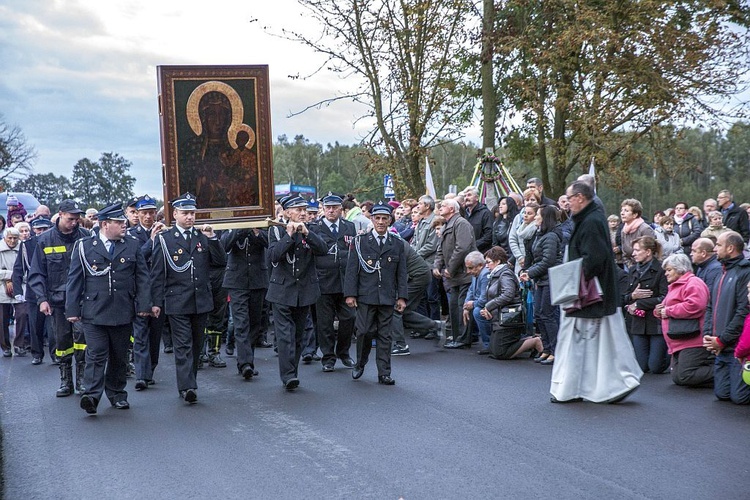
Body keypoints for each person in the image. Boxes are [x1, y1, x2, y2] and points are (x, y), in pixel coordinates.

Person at [550, 180, 642, 404]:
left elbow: (594, 259)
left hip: (588, 294)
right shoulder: (592, 218)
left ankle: (577, 388)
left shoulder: (590, 221)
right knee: (599, 344)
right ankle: (605, 385)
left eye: (569, 198)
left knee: (582, 342)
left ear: (580, 198)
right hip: (594, 292)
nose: (567, 203)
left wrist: (573, 279)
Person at [65, 204, 152, 414]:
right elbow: (74, 279)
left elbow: (142, 277)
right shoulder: (85, 246)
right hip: (94, 311)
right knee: (96, 354)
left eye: (123, 222)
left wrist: (144, 305)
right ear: (105, 224)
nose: (124, 225)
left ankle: (117, 393)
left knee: (119, 355)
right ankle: (92, 396)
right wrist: (72, 309)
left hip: (122, 310)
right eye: (119, 223)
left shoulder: (131, 245)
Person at [150, 193, 227, 404]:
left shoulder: (202, 237)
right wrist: (156, 302)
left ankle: (189, 379)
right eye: (185, 213)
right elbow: (157, 274)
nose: (190, 217)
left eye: (192, 213)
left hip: (200, 300)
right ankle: (188, 387)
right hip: (177, 300)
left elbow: (220, 262)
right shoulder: (165, 240)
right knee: (182, 345)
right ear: (175, 214)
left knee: (196, 344)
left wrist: (213, 238)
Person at [28, 199, 90, 397]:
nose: (75, 223)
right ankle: (65, 380)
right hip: (57, 301)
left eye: (77, 219)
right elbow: (37, 273)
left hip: (82, 299)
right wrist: (41, 299)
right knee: (62, 341)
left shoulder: (86, 237)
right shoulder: (45, 240)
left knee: (82, 340)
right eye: (71, 219)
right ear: (61, 214)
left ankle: (81, 379)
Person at [266, 194, 328, 390]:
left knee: (298, 335)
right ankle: (288, 375)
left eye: (304, 210)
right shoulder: (276, 230)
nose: (303, 213)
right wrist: (290, 236)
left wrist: (307, 234)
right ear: (286, 212)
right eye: (298, 210)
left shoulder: (313, 228)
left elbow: (323, 249)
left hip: (305, 290)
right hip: (282, 290)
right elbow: (274, 255)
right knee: (284, 335)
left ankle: (293, 370)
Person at [344, 202, 407, 384]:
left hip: (387, 296)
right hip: (366, 294)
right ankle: (361, 363)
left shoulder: (396, 243)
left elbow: (401, 272)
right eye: (377, 218)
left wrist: (402, 296)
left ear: (389, 220)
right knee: (363, 331)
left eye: (384, 218)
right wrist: (350, 294)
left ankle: (384, 372)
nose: (380, 222)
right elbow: (351, 269)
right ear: (371, 219)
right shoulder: (361, 241)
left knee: (385, 335)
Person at [309, 192, 357, 371]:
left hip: (345, 282)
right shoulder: (314, 227)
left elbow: (352, 252)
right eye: (328, 207)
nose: (331, 211)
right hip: (323, 281)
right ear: (323, 209)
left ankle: (343, 352)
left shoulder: (349, 226)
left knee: (349, 318)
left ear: (340, 209)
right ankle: (328, 357)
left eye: (335, 208)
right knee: (325, 323)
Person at [701, 230, 750, 404]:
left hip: (736, 348)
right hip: (720, 346)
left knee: (740, 398)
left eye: (719, 245)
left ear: (730, 248)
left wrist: (722, 340)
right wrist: (709, 336)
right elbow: (709, 306)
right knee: (722, 394)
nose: (715, 249)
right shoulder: (721, 272)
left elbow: (743, 312)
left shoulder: (745, 272)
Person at [654, 254, 713, 387]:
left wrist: (668, 311)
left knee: (686, 375)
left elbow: (696, 306)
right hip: (679, 339)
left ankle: (725, 371)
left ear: (679, 269)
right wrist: (659, 311)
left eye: (669, 270)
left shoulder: (694, 283)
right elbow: (666, 308)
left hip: (692, 339)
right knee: (677, 377)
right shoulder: (675, 285)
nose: (666, 274)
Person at [128, 195, 167, 390]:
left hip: (159, 290)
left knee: (155, 334)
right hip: (139, 290)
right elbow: (136, 259)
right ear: (138, 214)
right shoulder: (131, 235)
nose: (149, 217)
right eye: (144, 213)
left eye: (152, 213)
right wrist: (152, 241)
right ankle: (142, 375)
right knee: (140, 332)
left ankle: (150, 369)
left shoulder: (164, 233)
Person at [221, 225, 269, 380]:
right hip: (237, 281)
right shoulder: (231, 226)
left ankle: (249, 359)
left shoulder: (261, 226)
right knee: (241, 323)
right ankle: (245, 363)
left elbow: (270, 243)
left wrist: (256, 231)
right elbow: (224, 246)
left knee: (255, 323)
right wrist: (239, 229)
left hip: (257, 280)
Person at [480, 246, 543, 359]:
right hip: (500, 318)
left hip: (508, 318)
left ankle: (535, 342)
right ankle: (529, 341)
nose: (486, 265)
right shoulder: (496, 274)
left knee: (500, 353)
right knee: (493, 351)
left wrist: (488, 307)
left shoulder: (505, 274)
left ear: (498, 261)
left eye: (488, 262)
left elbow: (508, 295)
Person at [520, 205, 563, 365]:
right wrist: (526, 270)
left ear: (545, 218)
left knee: (548, 315)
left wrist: (529, 273)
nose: (535, 217)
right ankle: (546, 348)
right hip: (542, 279)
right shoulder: (540, 234)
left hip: (550, 279)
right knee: (539, 314)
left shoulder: (551, 236)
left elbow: (548, 261)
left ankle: (555, 350)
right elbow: (533, 256)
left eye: (537, 215)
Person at [433, 199, 477, 349]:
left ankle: (464, 339)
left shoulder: (461, 223)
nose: (440, 207)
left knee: (461, 306)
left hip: (464, 273)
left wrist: (450, 268)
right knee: (454, 306)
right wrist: (437, 265)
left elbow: (462, 248)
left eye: (443, 205)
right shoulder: (447, 224)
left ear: (452, 208)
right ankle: (458, 336)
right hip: (453, 276)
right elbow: (440, 249)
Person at [623, 236, 669, 374]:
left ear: (648, 252)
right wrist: (632, 297)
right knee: (641, 367)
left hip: (655, 322)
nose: (633, 253)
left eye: (637, 250)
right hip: (638, 323)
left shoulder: (661, 270)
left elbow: (664, 297)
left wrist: (639, 303)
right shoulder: (632, 271)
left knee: (655, 367)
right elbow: (624, 297)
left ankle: (669, 356)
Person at [14, 217, 52, 364]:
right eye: (38, 229)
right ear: (34, 230)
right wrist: (18, 291)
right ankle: (37, 353)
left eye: (44, 229)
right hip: (34, 289)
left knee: (53, 326)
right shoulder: (26, 245)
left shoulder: (54, 241)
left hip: (53, 288)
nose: (41, 232)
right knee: (35, 325)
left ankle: (56, 353)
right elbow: (18, 269)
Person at [410, 195, 440, 335]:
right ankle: (423, 327)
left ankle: (435, 327)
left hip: (429, 264)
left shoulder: (434, 221)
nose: (418, 206)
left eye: (420, 204)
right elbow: (415, 241)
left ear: (428, 206)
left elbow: (431, 245)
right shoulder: (421, 222)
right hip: (418, 265)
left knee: (432, 297)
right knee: (420, 298)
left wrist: (414, 255)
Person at [463, 251, 491, 354]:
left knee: (477, 311)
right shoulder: (476, 274)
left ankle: (488, 343)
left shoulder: (485, 274)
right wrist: (466, 306)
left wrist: (472, 304)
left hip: (490, 305)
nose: (468, 271)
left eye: (470, 268)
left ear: (480, 266)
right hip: (481, 302)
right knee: (472, 309)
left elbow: (484, 299)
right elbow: (471, 290)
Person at [0, 229, 21, 357]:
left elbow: (28, 269)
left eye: (15, 238)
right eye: (10, 238)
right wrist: (11, 277)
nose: (12, 241)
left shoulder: (23, 248)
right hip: (1, 286)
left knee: (23, 314)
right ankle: (5, 346)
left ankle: (20, 343)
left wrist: (15, 279)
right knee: (2, 318)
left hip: (21, 285)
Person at [620, 198, 655, 270]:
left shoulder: (645, 229)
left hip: (646, 268)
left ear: (635, 214)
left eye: (626, 211)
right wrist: (631, 268)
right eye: (622, 210)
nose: (622, 213)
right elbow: (624, 253)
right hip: (629, 267)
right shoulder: (623, 230)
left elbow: (653, 251)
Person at [463, 187, 493, 253]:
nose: (466, 198)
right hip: (465, 253)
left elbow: (488, 236)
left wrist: (472, 246)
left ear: (477, 198)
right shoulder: (463, 214)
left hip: (481, 253)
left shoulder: (485, 213)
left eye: (469, 195)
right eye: (465, 196)